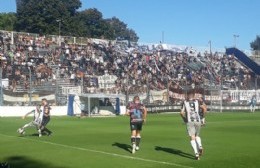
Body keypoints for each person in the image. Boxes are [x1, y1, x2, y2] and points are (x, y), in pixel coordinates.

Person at [180, 93, 204, 160]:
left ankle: (196, 154)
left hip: (190, 121)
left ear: (187, 96)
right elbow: (204, 109)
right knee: (197, 136)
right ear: (193, 96)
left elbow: (181, 113)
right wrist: (203, 118)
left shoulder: (184, 102)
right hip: (198, 120)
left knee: (192, 137)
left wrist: (184, 119)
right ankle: (200, 146)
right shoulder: (198, 101)